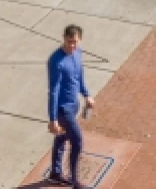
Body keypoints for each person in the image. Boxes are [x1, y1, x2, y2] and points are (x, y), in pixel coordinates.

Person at [47, 25, 94, 188]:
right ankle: (75, 181)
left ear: (80, 40)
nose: (72, 46)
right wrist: (53, 119)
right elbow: (53, 91)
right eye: (69, 42)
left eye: (75, 42)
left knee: (62, 138)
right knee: (77, 141)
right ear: (64, 38)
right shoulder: (56, 61)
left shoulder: (78, 53)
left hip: (74, 105)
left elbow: (79, 76)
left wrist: (86, 94)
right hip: (63, 109)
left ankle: (55, 172)